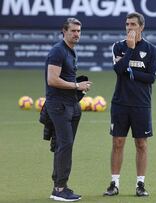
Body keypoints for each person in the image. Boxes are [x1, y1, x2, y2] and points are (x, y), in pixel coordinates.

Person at [103, 12, 156, 197]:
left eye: (133, 24)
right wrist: (130, 49)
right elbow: (118, 70)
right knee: (117, 142)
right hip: (120, 102)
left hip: (141, 104)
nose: (129, 28)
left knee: (141, 144)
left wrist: (131, 73)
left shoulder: (151, 50)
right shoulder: (118, 47)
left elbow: (151, 78)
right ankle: (114, 183)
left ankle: (140, 184)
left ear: (141, 27)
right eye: (127, 24)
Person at [45, 17, 92, 202]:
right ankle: (59, 188)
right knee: (64, 145)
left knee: (64, 145)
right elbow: (52, 80)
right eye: (73, 31)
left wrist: (78, 86)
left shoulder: (70, 51)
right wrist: (76, 86)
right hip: (59, 105)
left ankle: (60, 185)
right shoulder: (58, 51)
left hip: (71, 105)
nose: (76, 34)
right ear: (64, 31)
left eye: (79, 31)